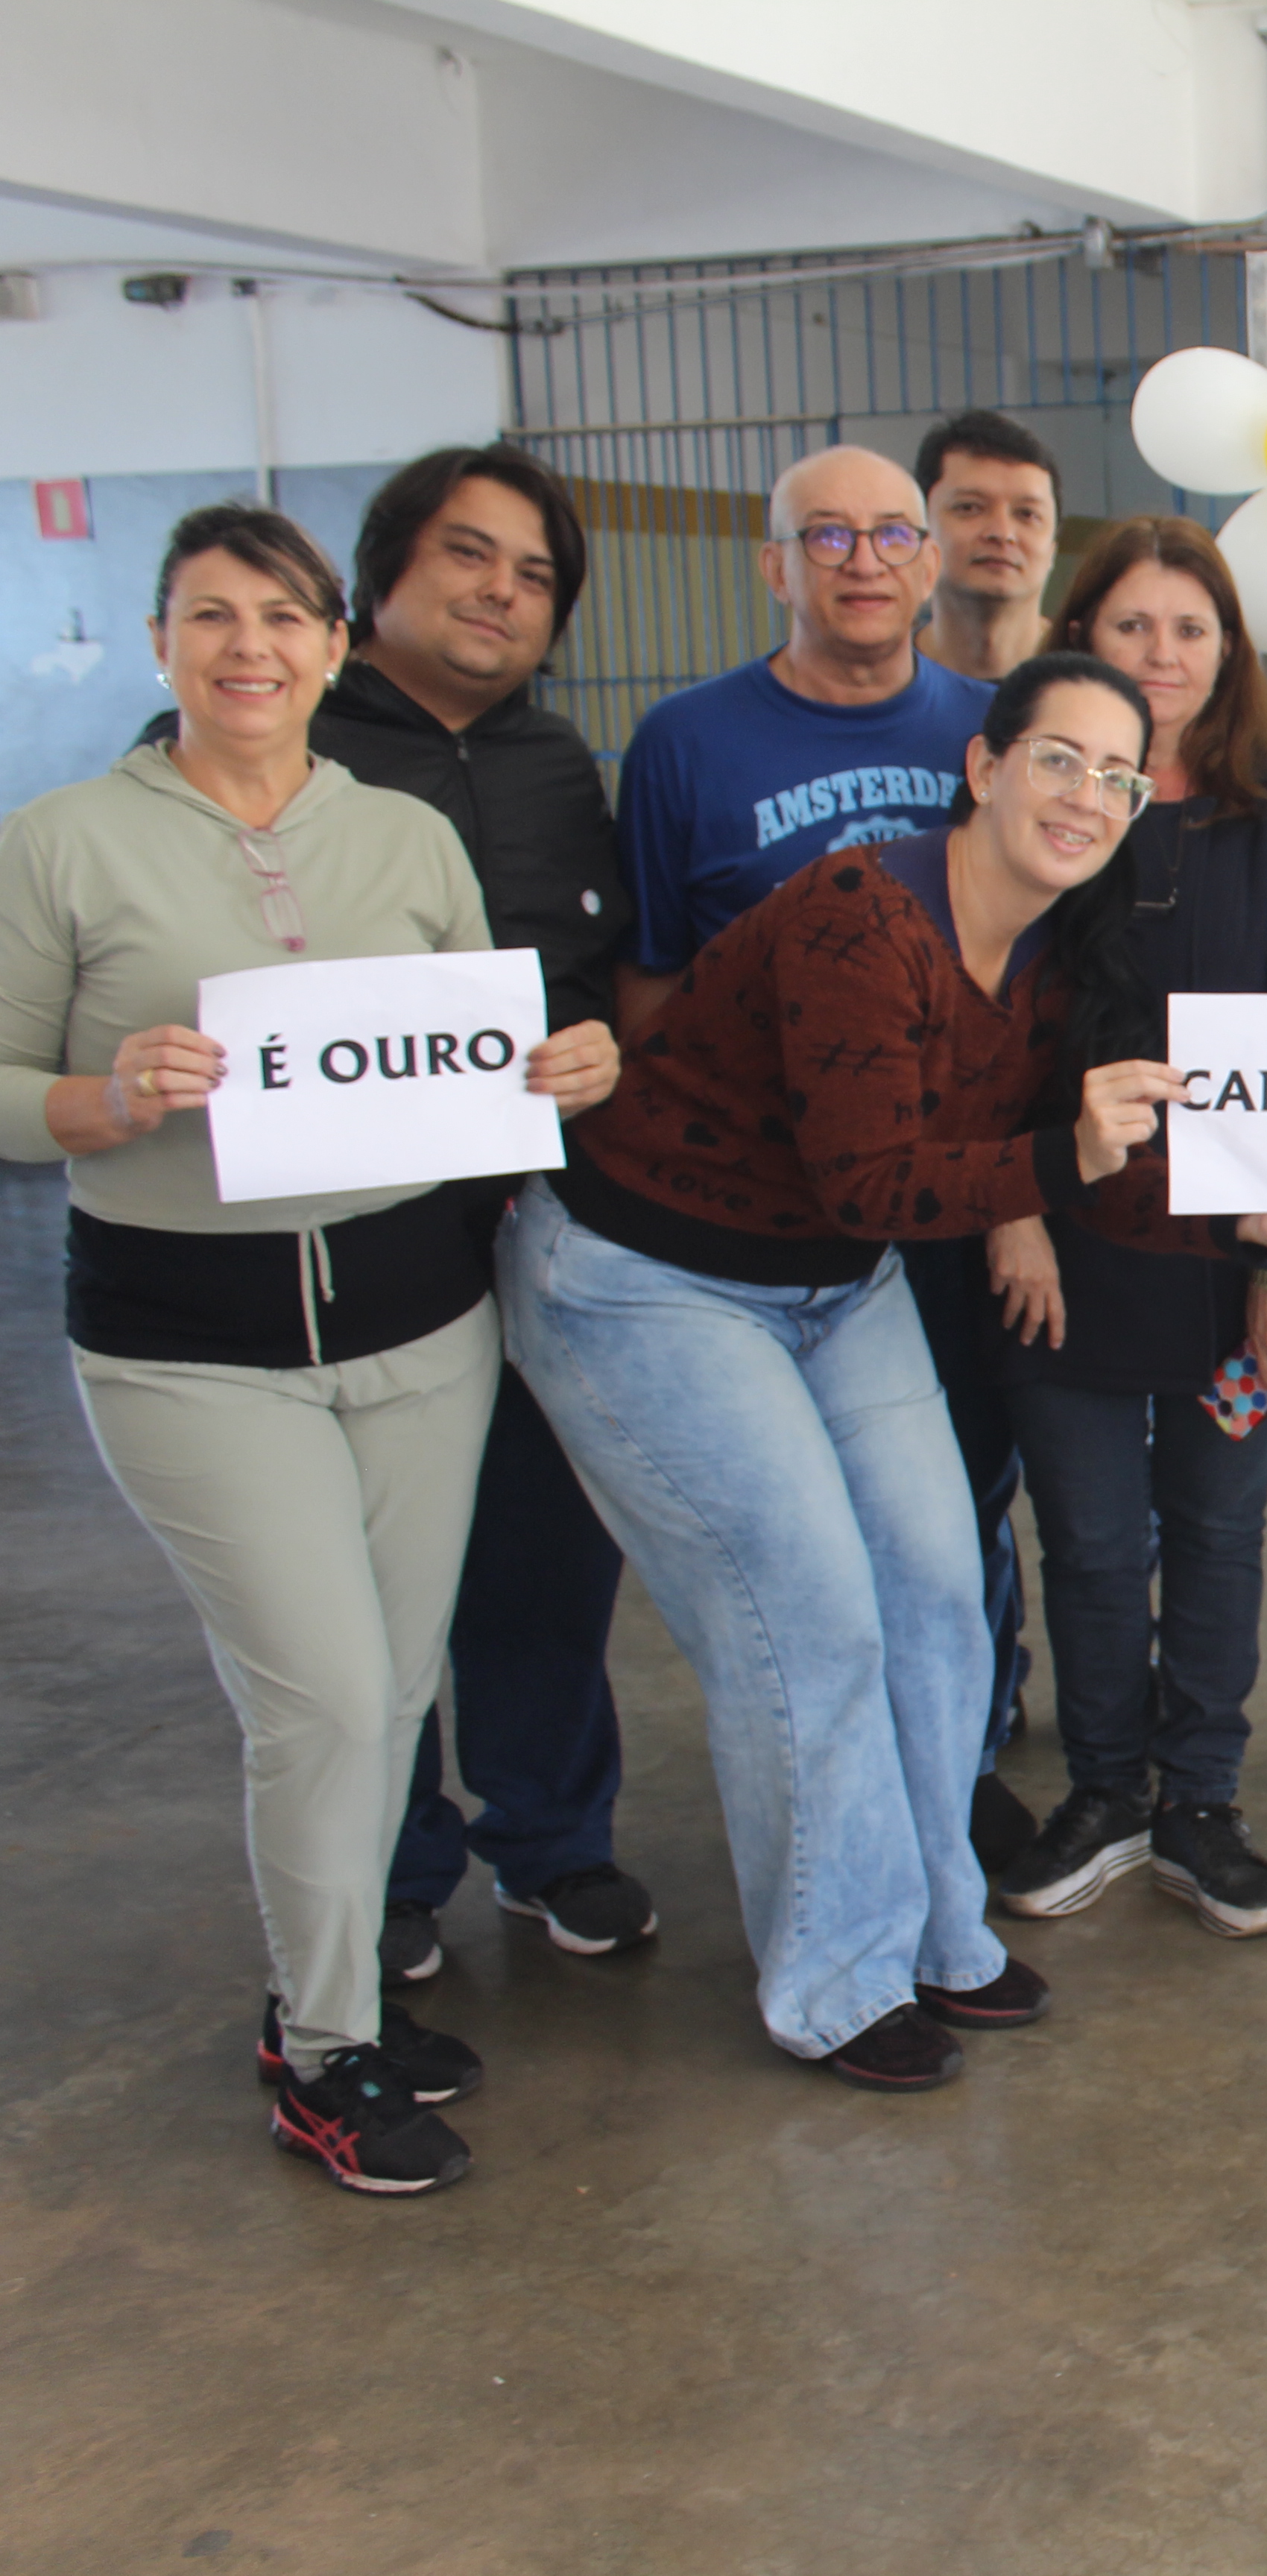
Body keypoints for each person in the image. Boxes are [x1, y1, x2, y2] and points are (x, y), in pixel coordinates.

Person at [503, 651, 1267, 2091]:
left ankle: (935, 1935)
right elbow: (876, 1182)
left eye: (1116, 774)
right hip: (645, 1275)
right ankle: (833, 1979)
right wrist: (1068, 1155)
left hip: (823, 1284)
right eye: (1057, 759)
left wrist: (1250, 1218)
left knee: (934, 1585)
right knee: (811, 1615)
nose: (1087, 795)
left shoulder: (1055, 950)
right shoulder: (864, 912)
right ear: (980, 769)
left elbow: (1081, 1173)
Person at [0, 505, 619, 2193]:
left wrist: (565, 1068)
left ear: (335, 647)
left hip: (425, 1327)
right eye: (212, 616)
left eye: (283, 618)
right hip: (190, 1350)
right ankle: (326, 2044)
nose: (249, 648)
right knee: (332, 1698)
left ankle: (330, 2000)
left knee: (392, 1683)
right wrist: (98, 1096)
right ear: (160, 642)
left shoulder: (404, 830)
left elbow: (467, 1048)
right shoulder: (60, 840)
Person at [122, 443, 653, 1980]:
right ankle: (398, 1868)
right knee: (368, 1585)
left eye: (537, 574)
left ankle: (555, 1843)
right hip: (340, 1248)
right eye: (469, 557)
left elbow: (581, 991)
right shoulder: (280, 755)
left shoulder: (564, 765)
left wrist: (597, 1053)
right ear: (376, 589)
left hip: (542, 1225)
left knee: (547, 1558)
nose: (502, 593)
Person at [607, 445, 1033, 1851]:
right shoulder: (687, 740)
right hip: (749, 1227)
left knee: (956, 1514)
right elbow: (660, 989)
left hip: (945, 1206)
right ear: (772, 562)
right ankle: (859, 1844)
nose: (862, 560)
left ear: (926, 562)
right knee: (812, 1565)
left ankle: (960, 1775)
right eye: (826, 534)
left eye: (889, 533)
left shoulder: (990, 724)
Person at [982, 520, 1267, 1939]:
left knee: (1214, 1529)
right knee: (1084, 1540)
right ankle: (1105, 1791)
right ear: (1078, 640)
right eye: (1130, 627)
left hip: (1245, 1277)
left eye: (1188, 629)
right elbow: (998, 1045)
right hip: (1064, 1262)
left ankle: (1200, 1797)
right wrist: (1011, 1207)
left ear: (1230, 650)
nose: (1160, 654)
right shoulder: (1047, 810)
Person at [917, 409, 1065, 686]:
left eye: (1027, 514)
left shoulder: (1099, 679)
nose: (1002, 533)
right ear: (921, 534)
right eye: (969, 508)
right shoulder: (880, 680)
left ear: (1053, 549)